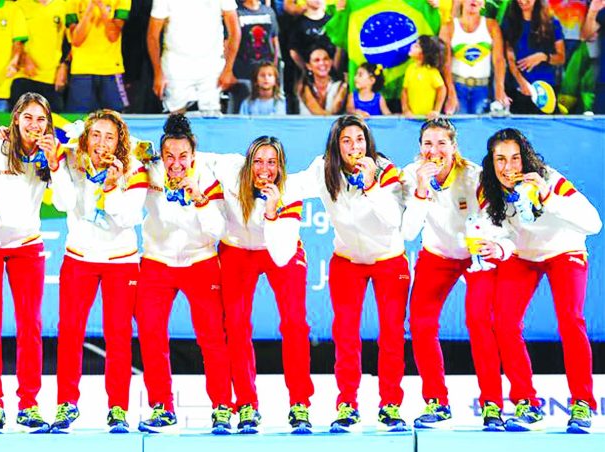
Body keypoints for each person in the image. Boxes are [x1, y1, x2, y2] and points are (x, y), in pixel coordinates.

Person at [0, 92, 75, 433]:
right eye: (28, 118)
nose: (34, 126)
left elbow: (65, 202)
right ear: (16, 119)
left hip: (26, 244)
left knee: (30, 327)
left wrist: (55, 163)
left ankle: (29, 404)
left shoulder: (53, 153)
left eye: (41, 119)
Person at [290, 114, 409, 433]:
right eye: (346, 141)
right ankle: (347, 404)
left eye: (359, 140)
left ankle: (391, 405)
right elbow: (293, 187)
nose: (354, 146)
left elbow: (392, 220)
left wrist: (371, 184)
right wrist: (262, 185)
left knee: (392, 335)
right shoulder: (324, 168)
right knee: (345, 335)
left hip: (388, 260)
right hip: (347, 261)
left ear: (367, 142)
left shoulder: (385, 169)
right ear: (336, 145)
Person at [480, 128, 601, 433]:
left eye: (515, 158)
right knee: (504, 323)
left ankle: (582, 403)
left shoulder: (548, 178)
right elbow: (505, 234)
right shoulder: (491, 188)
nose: (508, 167)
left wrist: (547, 196)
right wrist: (499, 247)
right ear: (491, 161)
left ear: (526, 157)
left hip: (565, 250)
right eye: (500, 159)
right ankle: (526, 403)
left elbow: (594, 224)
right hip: (524, 255)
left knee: (571, 320)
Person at [401, 118, 512, 431]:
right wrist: (422, 191)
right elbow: (408, 232)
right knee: (421, 323)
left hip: (474, 255)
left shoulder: (475, 176)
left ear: (453, 147)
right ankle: (436, 401)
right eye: (427, 144)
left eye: (441, 144)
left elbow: (496, 222)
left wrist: (487, 244)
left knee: (480, 322)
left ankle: (492, 404)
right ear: (419, 148)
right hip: (437, 254)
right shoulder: (411, 176)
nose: (434, 151)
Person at [135, 113, 234, 435]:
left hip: (200, 260)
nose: (175, 164)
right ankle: (161, 407)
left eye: (182, 157)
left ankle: (221, 406)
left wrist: (200, 199)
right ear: (160, 156)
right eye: (169, 157)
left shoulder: (206, 174)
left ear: (194, 155)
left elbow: (218, 229)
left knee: (212, 338)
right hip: (156, 261)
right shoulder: (148, 170)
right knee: (151, 335)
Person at [50, 109, 147, 433]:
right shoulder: (71, 162)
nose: (102, 143)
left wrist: (112, 187)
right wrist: (55, 166)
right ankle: (66, 402)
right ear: (86, 138)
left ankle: (118, 407)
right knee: (70, 332)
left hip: (120, 260)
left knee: (118, 336)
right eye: (96, 135)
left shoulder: (133, 169)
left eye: (109, 137)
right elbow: (63, 204)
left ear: (119, 141)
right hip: (79, 257)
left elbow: (126, 218)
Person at [211, 136, 313, 434]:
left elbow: (282, 254)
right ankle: (245, 403)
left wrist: (271, 210)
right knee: (237, 325)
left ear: (280, 166)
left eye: (271, 162)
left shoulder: (289, 190)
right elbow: (190, 154)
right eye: (258, 161)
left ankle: (300, 403)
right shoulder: (230, 169)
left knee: (294, 324)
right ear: (247, 162)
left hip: (279, 248)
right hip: (237, 249)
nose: (263, 169)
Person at [147, 0, 241, 114]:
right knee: (175, 119)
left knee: (212, 115)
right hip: (175, 65)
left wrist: (228, 70)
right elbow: (152, 36)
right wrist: (158, 73)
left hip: (211, 65)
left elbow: (235, 31)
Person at [439, 0, 508, 114]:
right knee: (459, 128)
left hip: (483, 88)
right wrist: (450, 93)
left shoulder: (492, 26)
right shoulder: (448, 27)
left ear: (483, 3)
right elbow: (445, 63)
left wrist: (500, 89)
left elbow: (499, 60)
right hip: (457, 87)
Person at [65, 0, 132, 113]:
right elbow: (76, 40)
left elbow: (113, 35)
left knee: (115, 119)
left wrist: (101, 6)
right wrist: (90, 8)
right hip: (81, 70)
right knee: (78, 121)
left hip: (110, 69)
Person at [502, 0, 566, 113]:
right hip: (518, 91)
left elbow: (561, 58)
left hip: (546, 92)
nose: (522, 1)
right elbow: (509, 58)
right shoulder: (509, 23)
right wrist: (522, 82)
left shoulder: (552, 23)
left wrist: (543, 57)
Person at [12, 0, 69, 112]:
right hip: (24, 75)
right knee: (21, 121)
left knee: (52, 124)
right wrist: (24, 57)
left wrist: (64, 67)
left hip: (52, 77)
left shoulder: (63, 6)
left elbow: (68, 42)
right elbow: (11, 38)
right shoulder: (19, 6)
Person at [230, 0, 280, 113]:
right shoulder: (236, 12)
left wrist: (274, 67)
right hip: (242, 71)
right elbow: (228, 41)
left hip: (266, 69)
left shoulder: (269, 11)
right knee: (242, 109)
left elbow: (274, 40)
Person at [402, 35, 447, 117]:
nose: (412, 46)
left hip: (428, 118)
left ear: (423, 53)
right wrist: (406, 110)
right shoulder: (410, 69)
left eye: (417, 46)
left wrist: (436, 111)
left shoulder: (431, 71)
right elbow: (404, 91)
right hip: (412, 118)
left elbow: (442, 89)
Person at [297, 45, 347, 115]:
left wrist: (345, 85)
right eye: (317, 60)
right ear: (309, 66)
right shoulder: (304, 87)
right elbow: (319, 114)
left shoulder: (340, 85)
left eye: (325, 59)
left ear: (331, 62)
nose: (322, 63)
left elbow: (336, 109)